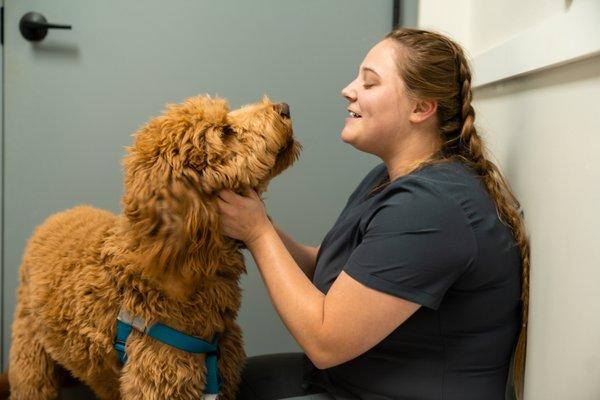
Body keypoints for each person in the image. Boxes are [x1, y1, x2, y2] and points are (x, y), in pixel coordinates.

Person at [216, 27, 530, 400]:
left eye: (369, 83)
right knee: (219, 380)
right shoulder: (391, 179)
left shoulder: (432, 208)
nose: (348, 90)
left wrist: (258, 234)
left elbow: (325, 340)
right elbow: (339, 273)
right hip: (348, 380)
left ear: (421, 108)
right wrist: (257, 224)